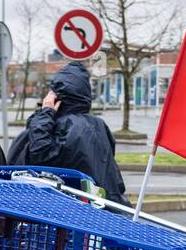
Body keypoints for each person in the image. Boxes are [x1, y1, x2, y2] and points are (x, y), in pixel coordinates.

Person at [8, 62, 126, 203]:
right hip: (101, 205)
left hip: (64, 209)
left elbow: (41, 156)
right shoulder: (98, 125)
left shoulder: (56, 125)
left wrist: (45, 113)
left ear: (55, 96)